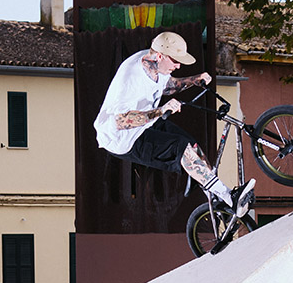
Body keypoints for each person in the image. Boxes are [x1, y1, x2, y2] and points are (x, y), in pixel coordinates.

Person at [94, 30, 255, 217]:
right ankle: (228, 197)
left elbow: (167, 86)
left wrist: (194, 80)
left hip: (146, 123)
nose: (178, 66)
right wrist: (161, 110)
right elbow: (121, 121)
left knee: (191, 144)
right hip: (123, 139)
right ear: (160, 56)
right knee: (182, 148)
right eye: (175, 61)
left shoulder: (155, 62)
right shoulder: (130, 79)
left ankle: (213, 194)